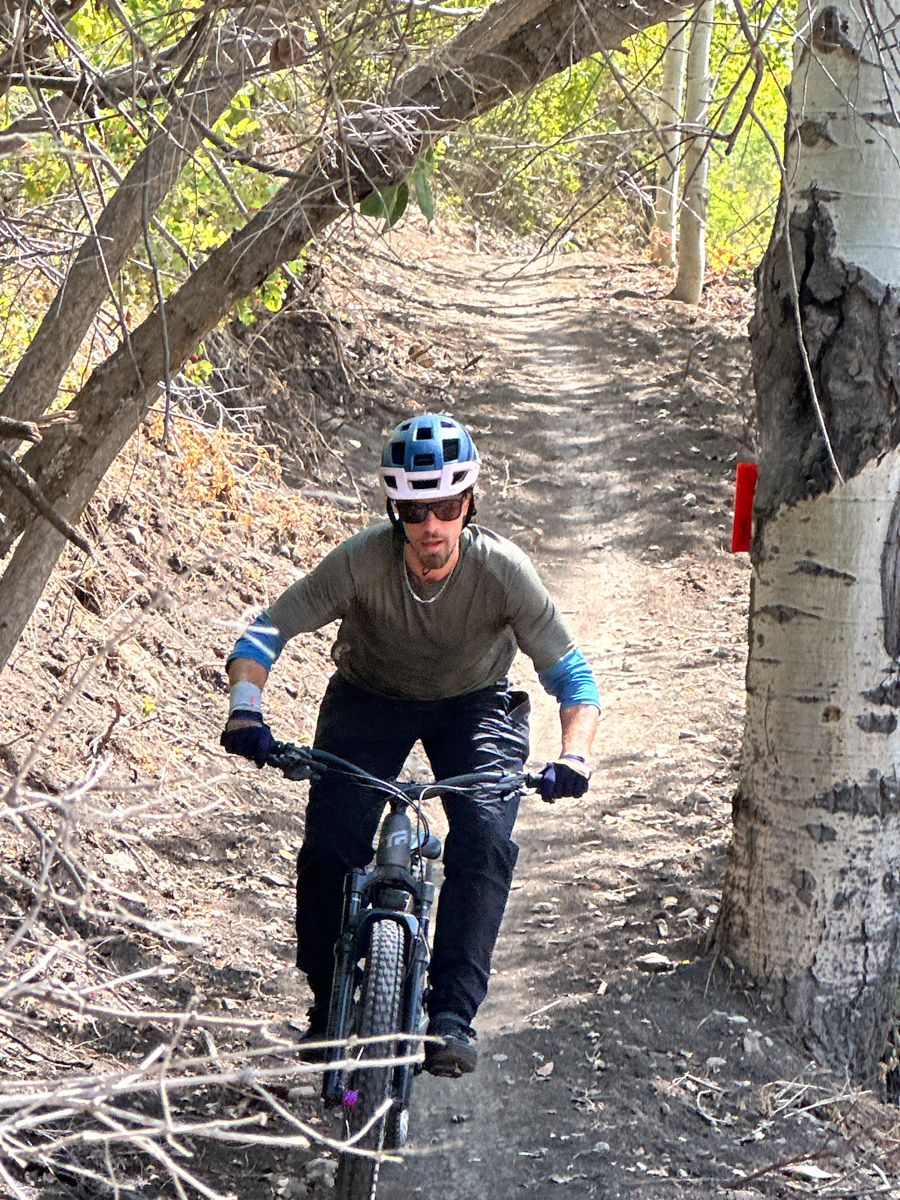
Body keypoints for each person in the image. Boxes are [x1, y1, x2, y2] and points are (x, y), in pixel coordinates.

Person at [220, 413, 600, 1077]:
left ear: (469, 504)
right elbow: (265, 633)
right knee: (331, 847)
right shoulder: (360, 563)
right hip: (370, 700)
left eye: (447, 507)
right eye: (416, 510)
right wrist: (246, 710)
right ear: (396, 511)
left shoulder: (503, 571)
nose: (433, 526)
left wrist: (574, 756)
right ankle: (326, 1001)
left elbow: (572, 677)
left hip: (476, 705)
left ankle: (452, 1015)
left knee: (484, 840)